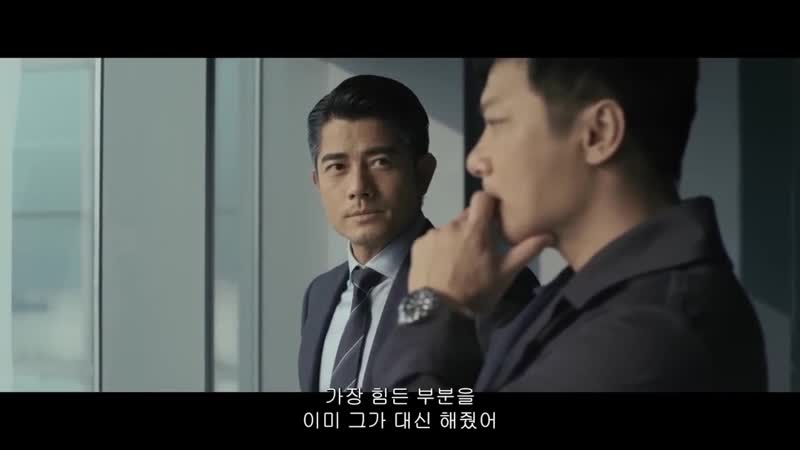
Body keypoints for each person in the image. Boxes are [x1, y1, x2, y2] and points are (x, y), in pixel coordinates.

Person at [373, 58, 768, 391]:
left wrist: (429, 308)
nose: (475, 160)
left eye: (497, 122)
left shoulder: (648, 334)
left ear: (598, 133)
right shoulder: (597, 295)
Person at [297, 74, 538, 392]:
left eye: (380, 162)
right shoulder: (319, 294)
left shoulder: (488, 281)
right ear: (317, 182)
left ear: (423, 173)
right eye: (337, 167)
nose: (358, 188)